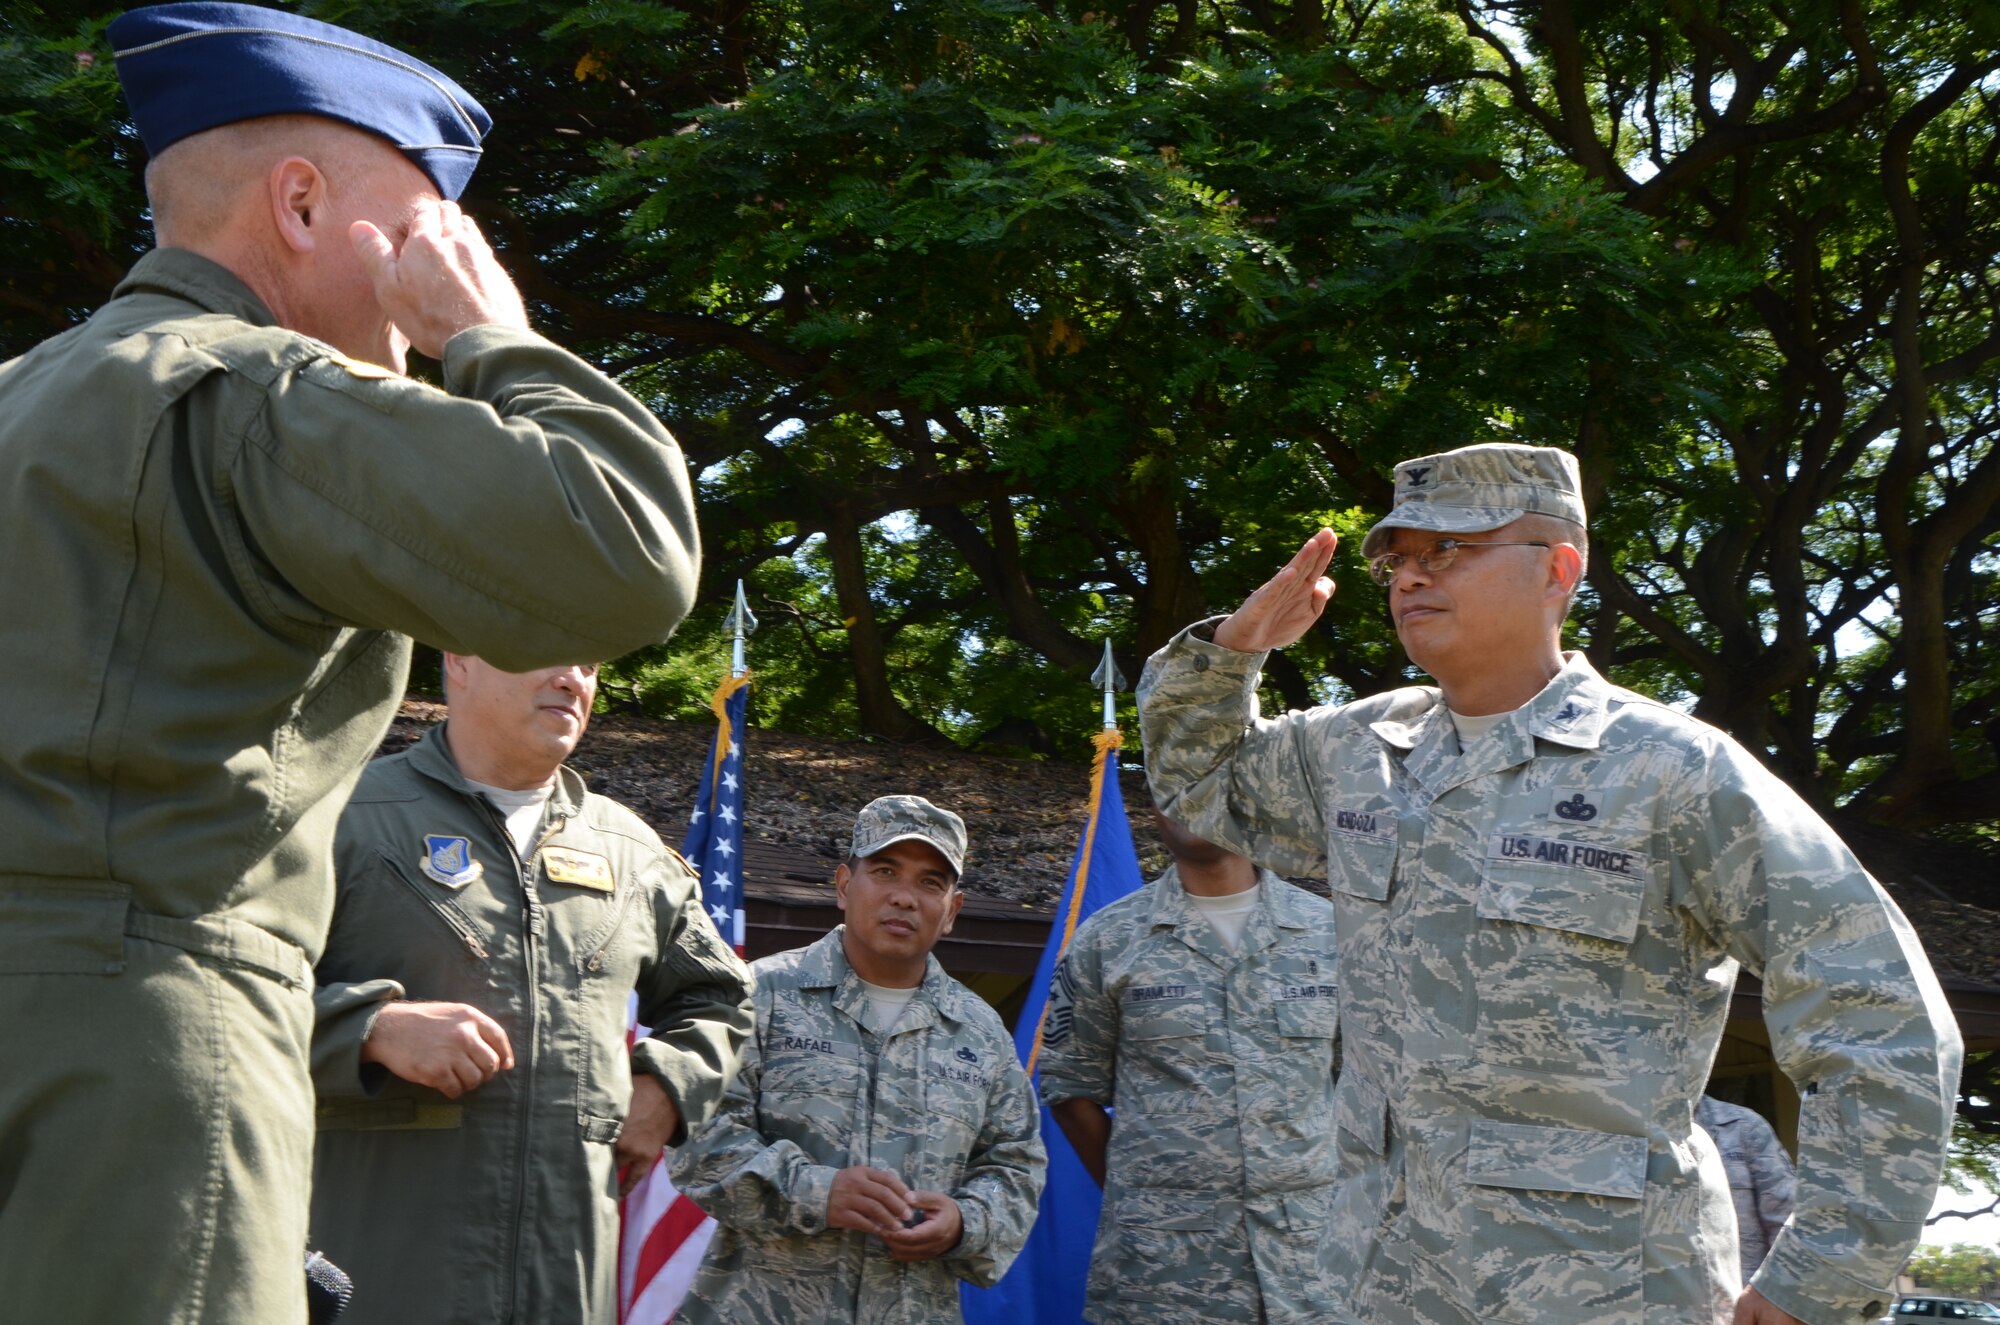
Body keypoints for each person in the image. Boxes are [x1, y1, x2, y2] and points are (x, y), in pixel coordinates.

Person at [0, 5, 703, 1320]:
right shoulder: (252, 393)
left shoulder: (23, 394)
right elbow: (627, 549)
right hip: (150, 1061)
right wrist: (492, 337)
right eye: (422, 233)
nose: (425, 287)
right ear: (304, 204)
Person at [1137, 443, 1961, 1325]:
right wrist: (1230, 654)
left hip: (1601, 1291)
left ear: (1558, 569)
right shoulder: (1356, 751)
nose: (1411, 578)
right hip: (1380, 1280)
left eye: (1449, 550)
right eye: (1397, 559)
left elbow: (1881, 1015)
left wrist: (1820, 1279)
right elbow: (1201, 786)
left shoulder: (1672, 770)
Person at [310, 653, 754, 1323]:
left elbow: (721, 997)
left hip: (565, 1285)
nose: (573, 677)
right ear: (459, 657)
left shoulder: (629, 851)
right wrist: (369, 1029)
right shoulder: (342, 818)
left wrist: (664, 1086)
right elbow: (226, 993)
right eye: (548, 649)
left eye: (590, 662)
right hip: (381, 1277)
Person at [670, 796, 1047, 1324]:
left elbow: (1016, 1163)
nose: (904, 898)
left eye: (930, 883)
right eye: (885, 871)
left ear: (952, 912)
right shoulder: (758, 995)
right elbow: (697, 1137)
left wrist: (966, 1221)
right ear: (845, 885)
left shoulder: (981, 1033)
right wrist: (818, 1192)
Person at [1037, 811, 1341, 1325]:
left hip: (1317, 1276)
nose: (1188, 800)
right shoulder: (1106, 940)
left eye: (1205, 778)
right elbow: (1070, 1087)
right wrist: (1147, 1200)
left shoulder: (1332, 934)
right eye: (1170, 782)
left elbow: (1368, 1086)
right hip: (1162, 1283)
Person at [1696, 1095, 1798, 1286]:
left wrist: (1780, 1303)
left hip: (1743, 1305)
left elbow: (1788, 1223)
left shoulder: (1742, 1127)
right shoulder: (1627, 1132)